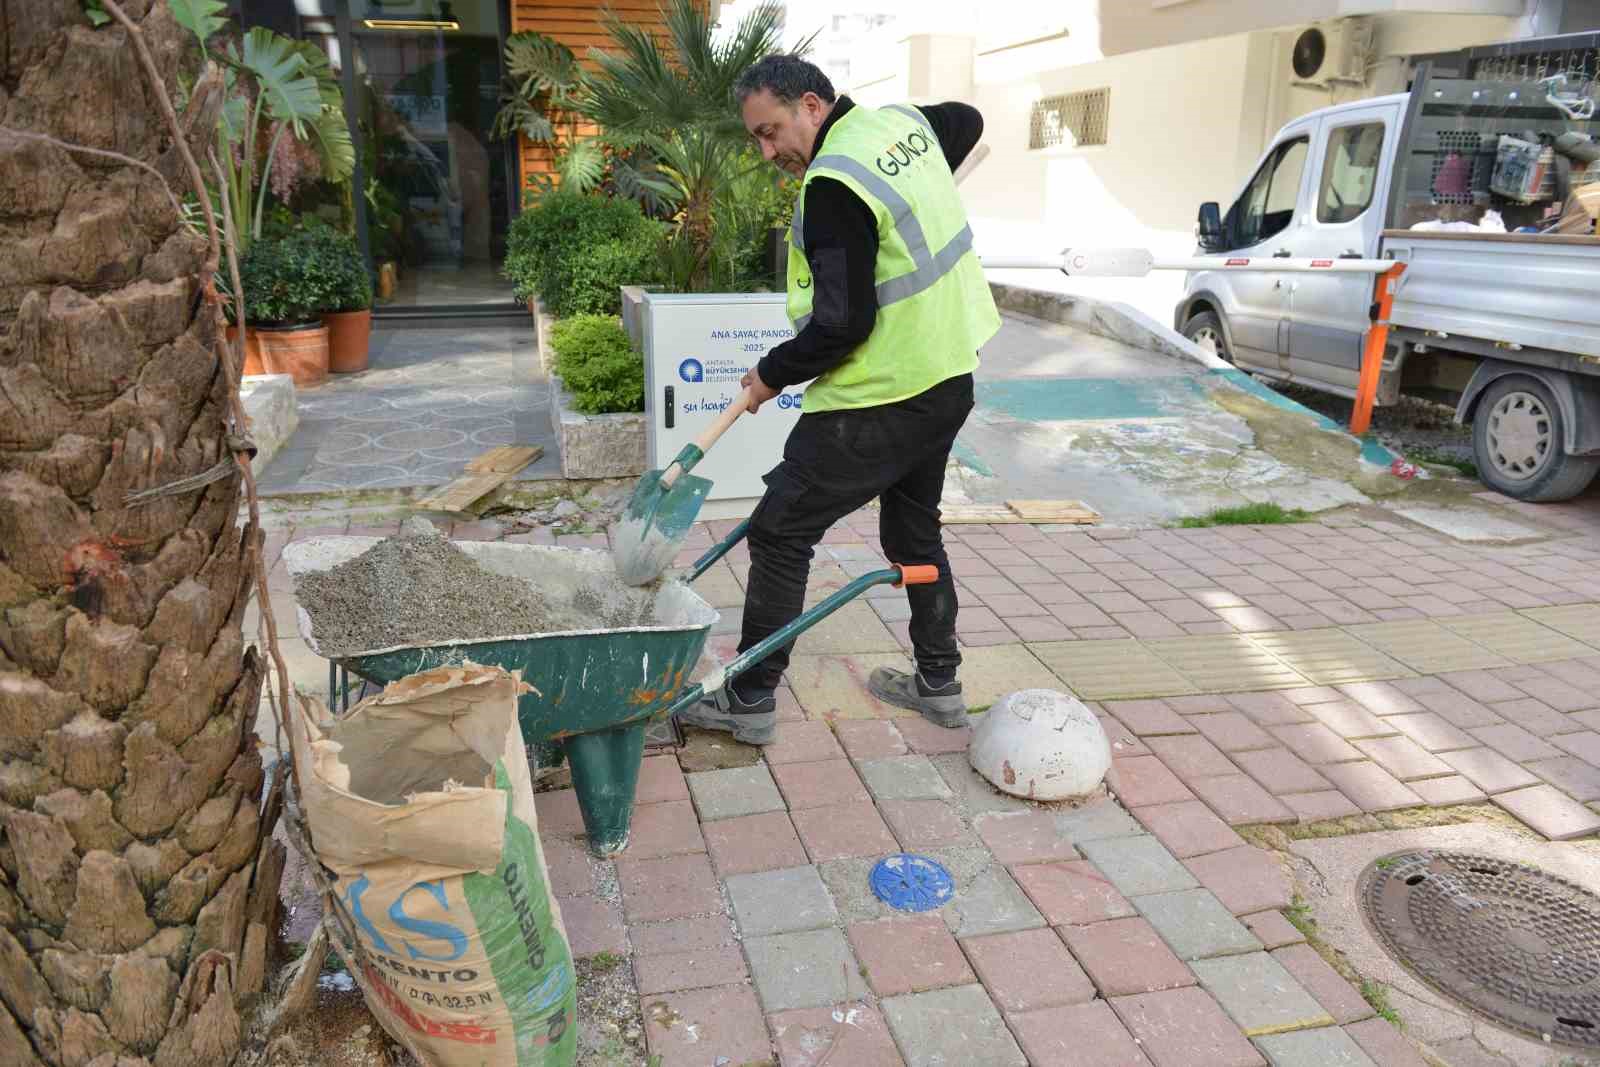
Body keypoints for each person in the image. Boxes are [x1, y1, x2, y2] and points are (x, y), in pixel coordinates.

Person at [675, 54, 999, 746]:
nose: (767, 152)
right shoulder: (899, 127)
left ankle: (750, 698)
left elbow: (842, 326)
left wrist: (768, 375)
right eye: (757, 139)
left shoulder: (831, 187)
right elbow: (966, 121)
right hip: (947, 377)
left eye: (771, 131)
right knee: (915, 533)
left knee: (781, 530)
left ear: (814, 107)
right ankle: (939, 683)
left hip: (879, 398)